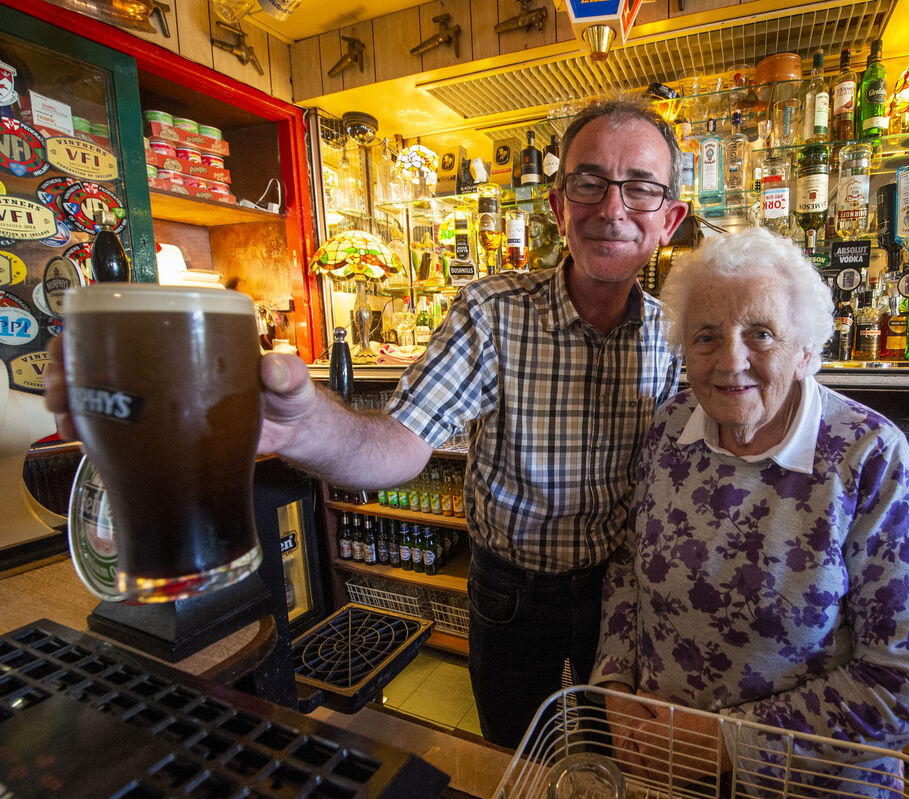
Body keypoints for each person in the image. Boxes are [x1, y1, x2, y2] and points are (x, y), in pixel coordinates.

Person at [45, 97, 688, 750]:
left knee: (609, 756)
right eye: (588, 182)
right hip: (511, 592)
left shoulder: (680, 336)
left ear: (669, 220)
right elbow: (399, 441)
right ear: (557, 205)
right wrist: (299, 426)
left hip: (624, 596)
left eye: (639, 188)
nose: (612, 208)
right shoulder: (495, 312)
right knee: (513, 752)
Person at [591, 227, 909, 794]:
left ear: (805, 351)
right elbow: (627, 569)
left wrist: (726, 743)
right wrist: (613, 689)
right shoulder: (670, 425)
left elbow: (906, 683)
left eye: (761, 334)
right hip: (662, 764)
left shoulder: (867, 454)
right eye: (706, 337)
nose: (731, 361)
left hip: (803, 783)